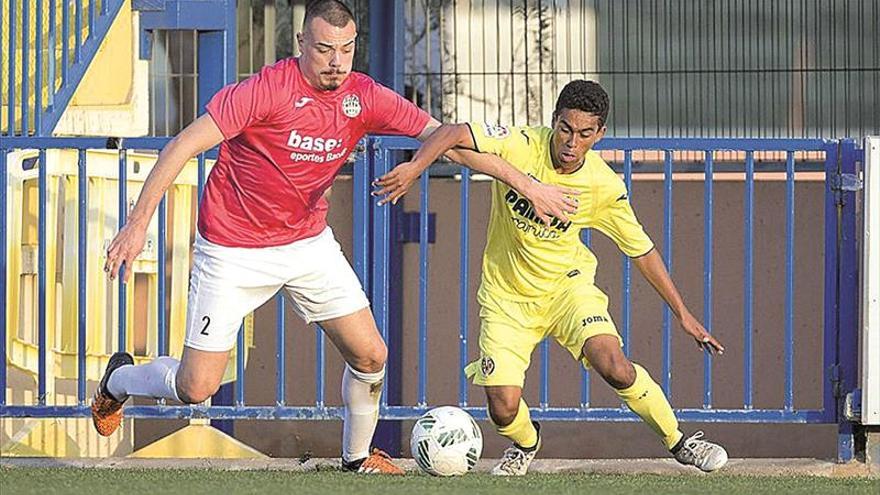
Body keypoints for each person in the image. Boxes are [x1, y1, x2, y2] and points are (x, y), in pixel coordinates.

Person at [93, 0, 575, 474]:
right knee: (196, 387)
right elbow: (182, 145)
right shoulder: (264, 90)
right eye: (324, 49)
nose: (336, 61)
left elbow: (448, 138)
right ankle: (119, 380)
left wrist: (529, 186)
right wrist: (137, 225)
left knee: (371, 355)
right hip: (232, 247)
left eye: (346, 49)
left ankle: (357, 458)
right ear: (301, 42)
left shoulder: (363, 95)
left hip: (306, 244)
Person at [373, 80, 729, 476]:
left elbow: (641, 250)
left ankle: (679, 442)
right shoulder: (521, 144)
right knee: (502, 406)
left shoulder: (604, 186)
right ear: (554, 121)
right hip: (506, 297)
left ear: (600, 134)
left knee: (615, 365)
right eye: (565, 128)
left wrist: (683, 313)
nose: (571, 142)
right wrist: (415, 168)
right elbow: (454, 133)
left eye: (584, 134)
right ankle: (526, 442)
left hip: (567, 290)